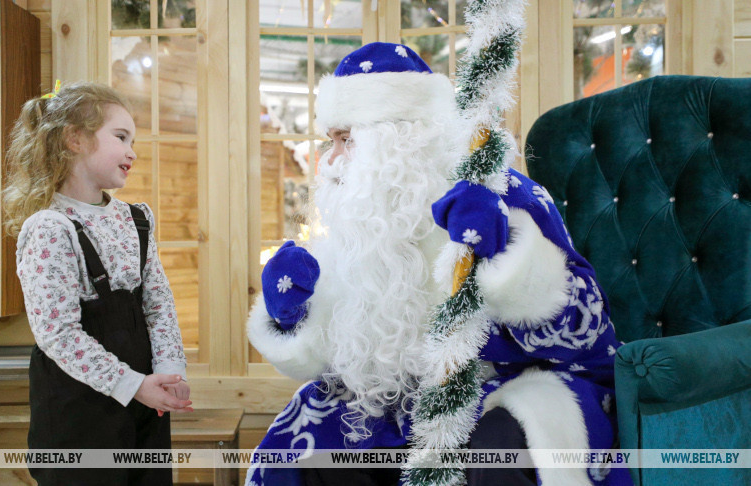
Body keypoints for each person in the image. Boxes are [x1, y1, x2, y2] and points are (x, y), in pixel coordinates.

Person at [246, 43, 631, 486]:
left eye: (346, 139)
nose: (330, 159)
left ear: (401, 139)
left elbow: (591, 332)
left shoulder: (502, 195)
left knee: (494, 451)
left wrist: (507, 261)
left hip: (508, 388)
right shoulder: (363, 222)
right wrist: (293, 317)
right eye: (329, 140)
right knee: (305, 449)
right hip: (394, 400)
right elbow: (347, 355)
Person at [3, 81, 192, 486]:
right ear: (75, 139)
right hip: (80, 411)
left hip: (145, 402)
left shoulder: (137, 219)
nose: (132, 151)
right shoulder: (50, 229)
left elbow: (157, 303)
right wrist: (132, 384)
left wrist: (169, 373)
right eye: (120, 137)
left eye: (133, 140)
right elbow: (57, 334)